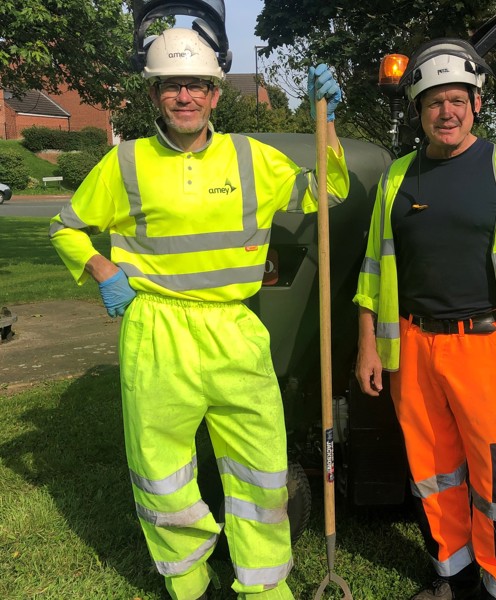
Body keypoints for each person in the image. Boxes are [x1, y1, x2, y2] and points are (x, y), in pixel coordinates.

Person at [50, 27, 348, 600]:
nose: (184, 96)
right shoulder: (126, 163)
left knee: (261, 468)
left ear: (215, 94)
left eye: (195, 86)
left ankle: (263, 586)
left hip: (234, 327)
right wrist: (103, 270)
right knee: (162, 470)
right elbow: (66, 227)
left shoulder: (250, 157)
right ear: (155, 94)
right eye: (171, 86)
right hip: (156, 330)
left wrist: (326, 121)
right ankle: (189, 582)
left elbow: (326, 194)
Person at [353, 38, 496, 600]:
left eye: (457, 100)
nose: (447, 111)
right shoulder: (398, 177)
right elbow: (373, 269)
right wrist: (368, 345)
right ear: (419, 111)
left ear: (476, 104)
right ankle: (454, 575)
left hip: (483, 346)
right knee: (433, 471)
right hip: (414, 349)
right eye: (433, 102)